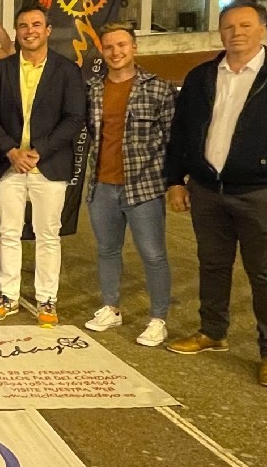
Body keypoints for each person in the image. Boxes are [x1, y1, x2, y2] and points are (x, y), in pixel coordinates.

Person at [165, 0, 267, 388]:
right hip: (207, 189)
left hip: (261, 192)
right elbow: (181, 133)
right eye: (229, 27)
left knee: (266, 274)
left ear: (262, 29)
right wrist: (175, 180)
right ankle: (212, 332)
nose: (237, 33)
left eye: (245, 26)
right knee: (212, 265)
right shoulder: (201, 77)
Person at [0, 5, 86, 327]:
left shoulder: (67, 70)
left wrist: (39, 151)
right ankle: (8, 295)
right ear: (17, 31)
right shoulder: (2, 70)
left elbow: (74, 118)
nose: (30, 31)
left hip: (48, 165)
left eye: (36, 24)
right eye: (23, 25)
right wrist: (11, 151)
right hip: (10, 164)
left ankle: (46, 299)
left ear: (48, 30)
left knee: (47, 235)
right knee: (8, 232)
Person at [83, 22, 176, 347]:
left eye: (121, 45)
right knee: (108, 251)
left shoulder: (158, 88)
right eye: (109, 47)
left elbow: (172, 140)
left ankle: (158, 318)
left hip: (144, 188)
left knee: (153, 255)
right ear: (103, 51)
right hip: (102, 186)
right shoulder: (93, 89)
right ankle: (111, 307)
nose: (115, 52)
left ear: (133, 48)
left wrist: (176, 182)